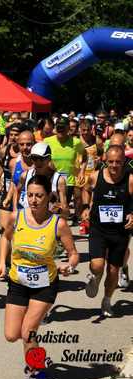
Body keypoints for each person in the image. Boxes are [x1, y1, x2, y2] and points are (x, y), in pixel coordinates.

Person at [0, 174, 78, 379]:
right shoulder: (17, 217)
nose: (33, 200)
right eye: (29, 195)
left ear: (49, 197)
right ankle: (38, 360)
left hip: (45, 285)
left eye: (38, 196)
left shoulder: (57, 224)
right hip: (18, 282)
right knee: (12, 335)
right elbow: (5, 237)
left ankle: (33, 374)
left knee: (27, 332)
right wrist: (2, 261)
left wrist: (68, 266)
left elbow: (73, 254)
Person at [83, 145, 133, 317]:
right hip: (99, 228)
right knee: (97, 265)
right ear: (105, 161)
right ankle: (96, 278)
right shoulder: (96, 176)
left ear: (124, 162)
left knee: (113, 271)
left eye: (118, 162)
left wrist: (132, 215)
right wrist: (84, 207)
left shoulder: (130, 179)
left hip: (120, 232)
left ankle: (106, 300)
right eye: (110, 161)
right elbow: (86, 190)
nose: (114, 165)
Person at [44, 117, 87, 226]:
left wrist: (82, 171)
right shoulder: (48, 141)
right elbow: (40, 157)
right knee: (50, 209)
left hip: (68, 182)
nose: (60, 131)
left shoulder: (76, 142)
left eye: (63, 128)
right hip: (51, 180)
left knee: (62, 209)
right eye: (58, 128)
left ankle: (58, 235)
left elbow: (85, 156)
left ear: (68, 129)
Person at [78, 119, 102, 235]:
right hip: (80, 173)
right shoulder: (77, 142)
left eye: (87, 130)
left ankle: (88, 223)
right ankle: (82, 220)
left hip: (93, 173)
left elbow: (103, 154)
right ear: (80, 129)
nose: (86, 132)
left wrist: (100, 159)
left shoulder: (95, 140)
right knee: (80, 199)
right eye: (83, 130)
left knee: (91, 199)